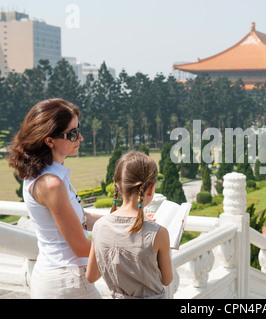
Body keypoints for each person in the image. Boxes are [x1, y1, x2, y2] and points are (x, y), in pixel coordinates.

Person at [8, 98, 103, 298]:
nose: (81, 138)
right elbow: (81, 247)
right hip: (67, 282)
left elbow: (83, 220)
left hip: (60, 277)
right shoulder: (51, 184)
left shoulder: (46, 176)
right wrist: (131, 243)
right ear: (49, 140)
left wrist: (129, 222)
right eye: (73, 134)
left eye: (79, 129)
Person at [86, 152, 173, 299]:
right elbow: (167, 279)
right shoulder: (158, 233)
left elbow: (91, 276)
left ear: (117, 188)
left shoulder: (100, 227)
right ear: (151, 189)